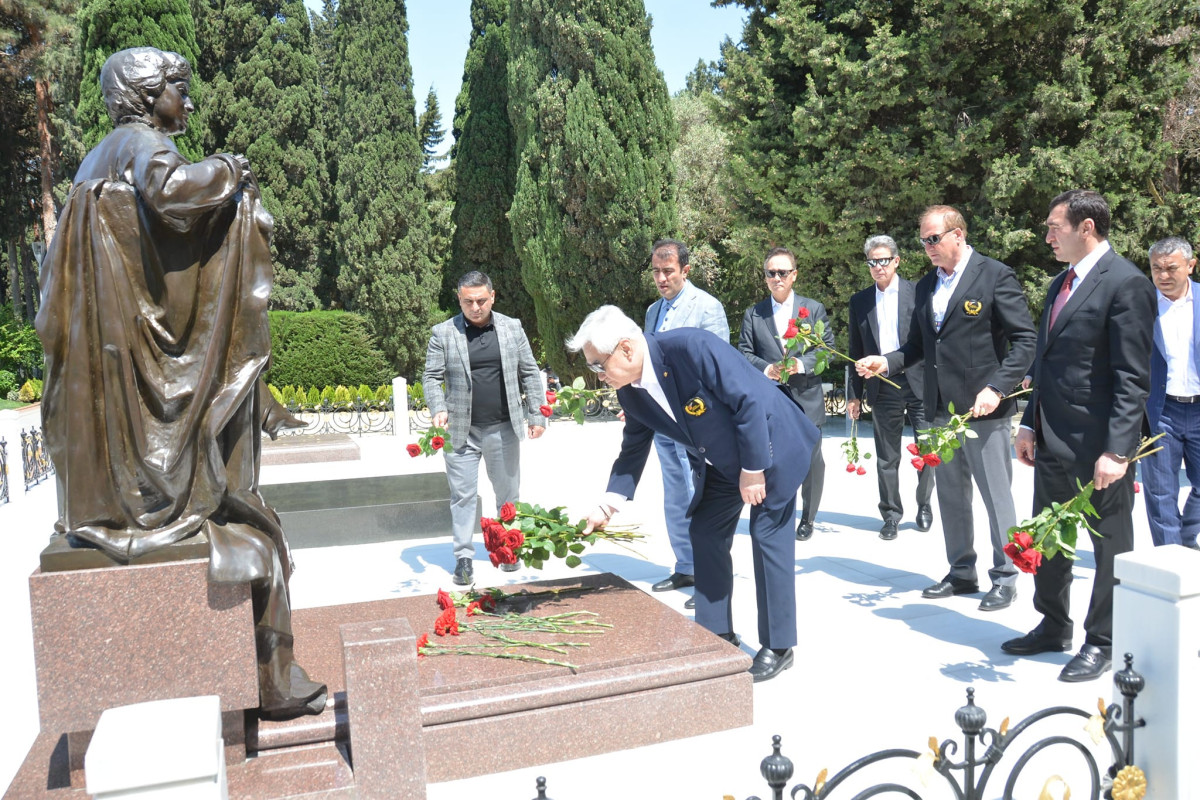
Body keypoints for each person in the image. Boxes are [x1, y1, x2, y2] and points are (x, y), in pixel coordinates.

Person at [36, 47, 325, 718]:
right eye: (179, 90)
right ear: (147, 94)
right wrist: (230, 169)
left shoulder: (97, 156)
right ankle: (271, 680)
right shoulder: (140, 144)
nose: (188, 103)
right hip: (129, 356)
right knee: (249, 529)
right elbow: (173, 194)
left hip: (109, 354)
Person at [570, 306, 819, 682]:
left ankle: (779, 645)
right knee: (704, 532)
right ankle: (717, 633)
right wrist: (609, 503)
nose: (598, 376)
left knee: (767, 537)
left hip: (771, 447)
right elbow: (634, 446)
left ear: (625, 349)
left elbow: (749, 400)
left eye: (596, 365)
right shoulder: (631, 391)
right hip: (720, 460)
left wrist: (753, 471)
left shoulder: (691, 347)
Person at [1003, 190, 1155, 682]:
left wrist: (1117, 450)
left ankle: (1103, 639)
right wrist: (1029, 421)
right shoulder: (1059, 284)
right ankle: (1052, 623)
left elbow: (1133, 377)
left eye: (1054, 227)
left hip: (1099, 447)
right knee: (1049, 537)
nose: (1047, 237)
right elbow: (1044, 363)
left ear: (1086, 228)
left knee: (1109, 544)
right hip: (1050, 437)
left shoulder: (1127, 283)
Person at [856, 205, 1036, 611]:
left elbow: (1026, 341)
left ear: (958, 234)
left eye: (933, 239)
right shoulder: (925, 287)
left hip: (984, 411)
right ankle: (961, 571)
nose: (927, 247)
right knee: (952, 496)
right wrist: (885, 362)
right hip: (940, 410)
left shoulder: (994, 275)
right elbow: (918, 348)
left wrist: (997, 387)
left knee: (995, 496)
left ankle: (1006, 576)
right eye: (923, 240)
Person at [423, 271, 546, 586]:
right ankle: (463, 557)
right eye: (468, 302)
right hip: (459, 431)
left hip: (503, 429)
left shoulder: (511, 328)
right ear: (459, 298)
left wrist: (537, 414)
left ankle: (507, 547)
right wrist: (438, 408)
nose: (475, 307)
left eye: (481, 300)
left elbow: (530, 372)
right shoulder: (443, 333)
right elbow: (431, 377)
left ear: (492, 296)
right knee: (462, 495)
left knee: (507, 494)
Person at [643, 239, 729, 603]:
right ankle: (685, 565)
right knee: (675, 493)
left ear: (686, 270)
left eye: (668, 272)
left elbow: (718, 366)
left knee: (700, 495)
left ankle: (709, 573)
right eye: (656, 273)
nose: (662, 279)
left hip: (696, 420)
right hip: (663, 419)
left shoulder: (707, 307)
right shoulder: (652, 311)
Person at [737, 247, 831, 541]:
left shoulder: (812, 309)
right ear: (765, 278)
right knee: (774, 461)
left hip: (807, 398)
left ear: (794, 275)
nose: (776, 277)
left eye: (782, 272)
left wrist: (799, 364)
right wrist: (767, 369)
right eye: (771, 273)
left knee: (813, 464)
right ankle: (778, 513)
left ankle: (809, 518)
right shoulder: (754, 314)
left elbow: (825, 349)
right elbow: (744, 353)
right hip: (772, 400)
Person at [847, 235, 934, 540]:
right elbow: (854, 350)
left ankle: (924, 503)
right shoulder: (859, 302)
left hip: (920, 382)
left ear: (896, 261)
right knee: (887, 456)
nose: (878, 266)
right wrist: (854, 394)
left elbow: (927, 342)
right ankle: (891, 514)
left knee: (927, 451)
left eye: (884, 260)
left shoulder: (919, 292)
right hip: (882, 387)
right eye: (872, 261)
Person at [1142, 237, 1200, 550]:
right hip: (1160, 411)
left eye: (1171, 268)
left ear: (1191, 266)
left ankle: (1186, 539)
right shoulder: (1141, 305)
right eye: (1156, 269)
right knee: (1160, 491)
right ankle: (1169, 556)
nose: (1163, 275)